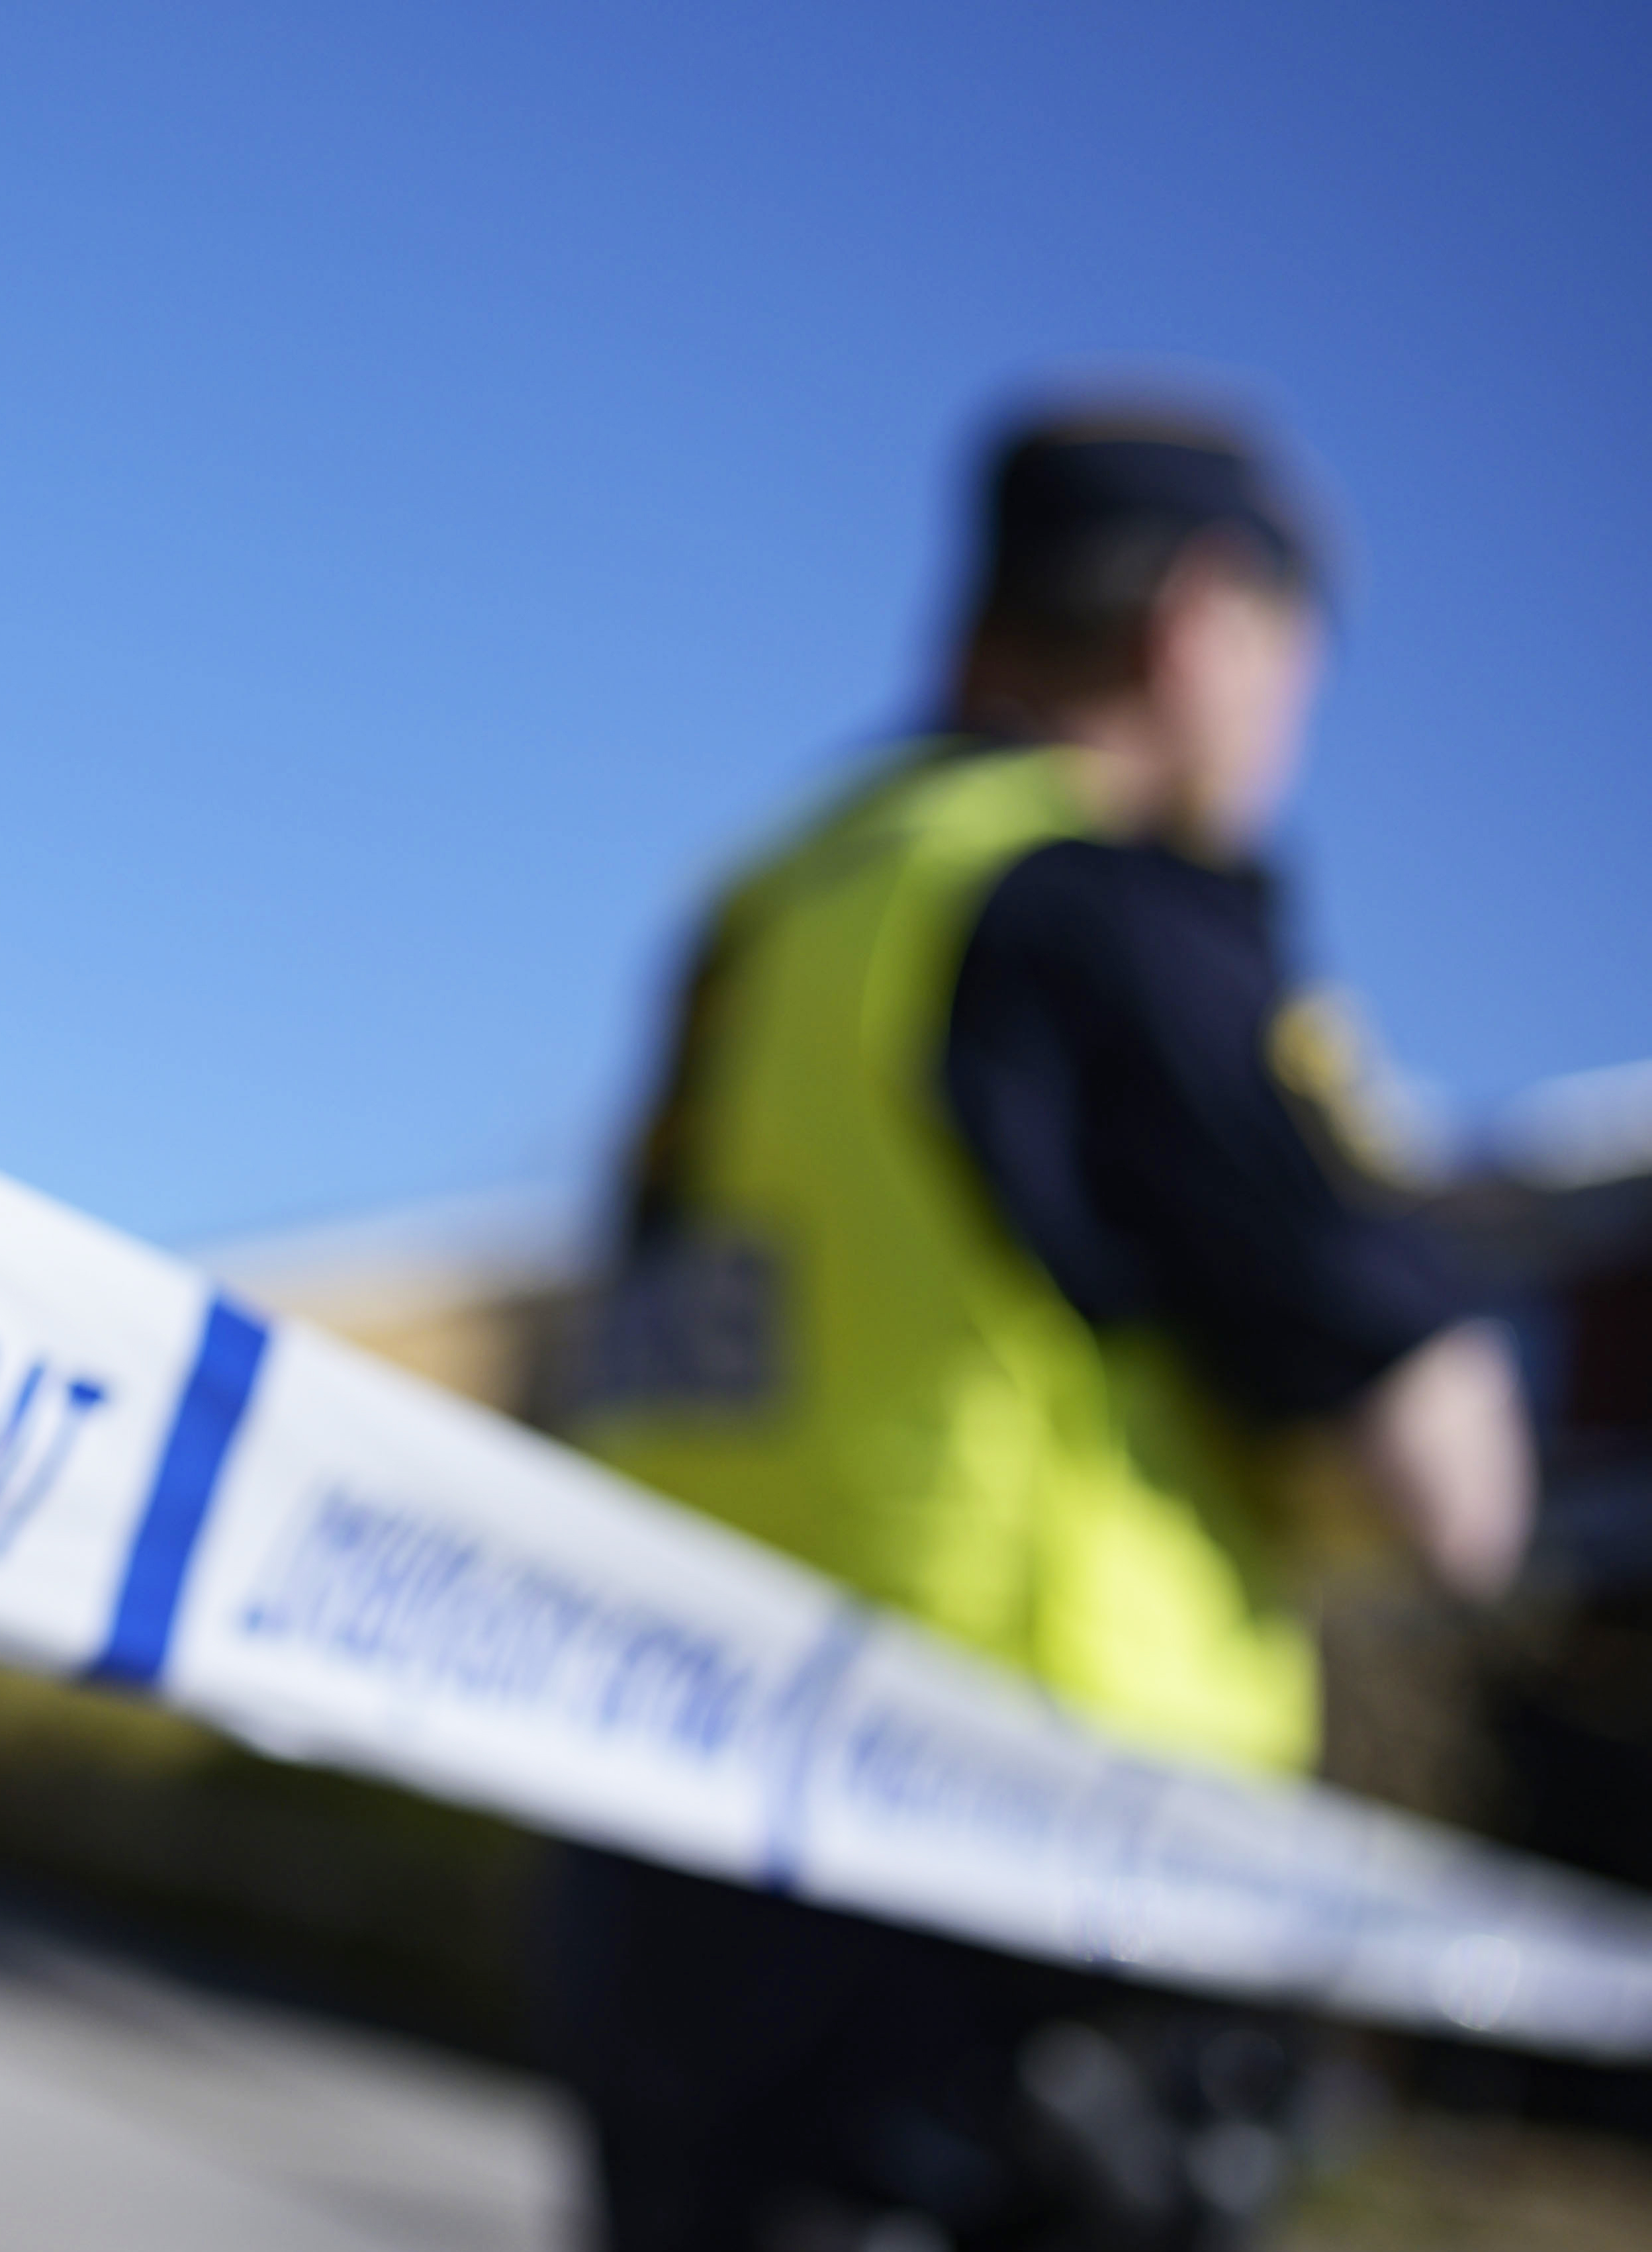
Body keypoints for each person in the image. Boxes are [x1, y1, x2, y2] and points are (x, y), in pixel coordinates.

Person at [550, 399, 1534, 2252]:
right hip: (1026, 1903)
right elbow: (1455, 1489)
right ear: (1196, 623)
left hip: (667, 1840)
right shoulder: (1104, 907)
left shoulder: (780, 904)